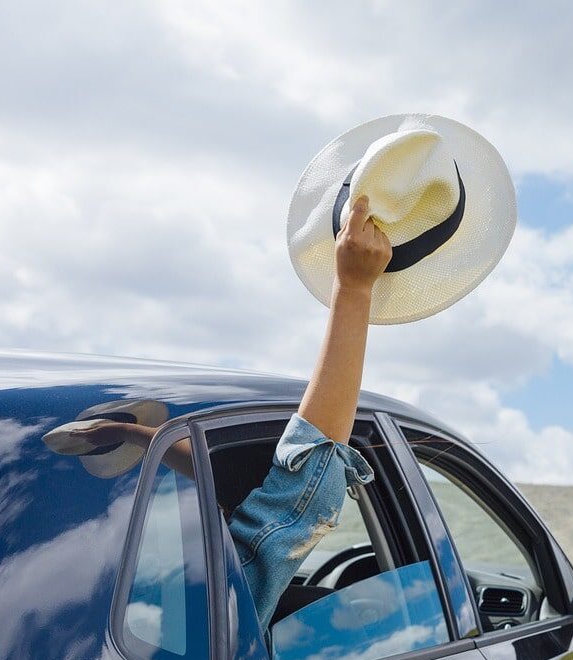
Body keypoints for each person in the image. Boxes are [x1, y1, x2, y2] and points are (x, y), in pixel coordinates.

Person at [72, 196, 393, 627]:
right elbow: (305, 486)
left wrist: (133, 434)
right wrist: (354, 290)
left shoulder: (91, 593)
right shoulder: (216, 606)